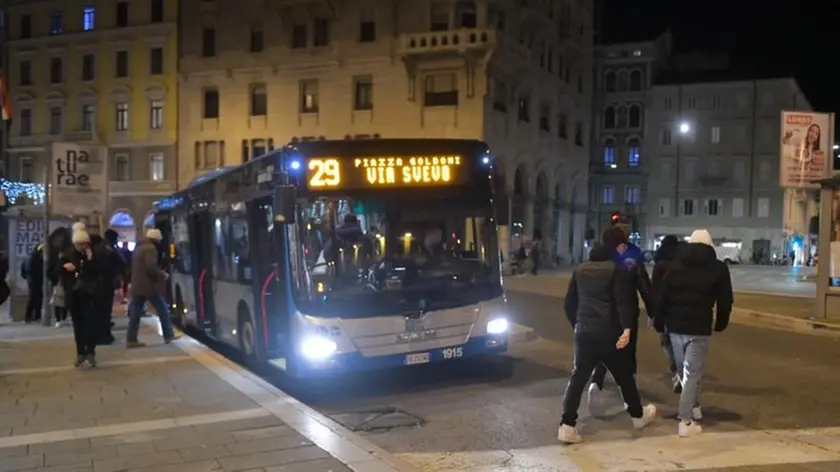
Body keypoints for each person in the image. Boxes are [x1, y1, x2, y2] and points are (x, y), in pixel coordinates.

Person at [558, 242, 657, 444]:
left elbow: (569, 303)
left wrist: (578, 325)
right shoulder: (616, 270)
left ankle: (567, 425)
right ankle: (637, 416)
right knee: (623, 376)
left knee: (578, 378)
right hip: (609, 333)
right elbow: (622, 301)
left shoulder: (579, 271)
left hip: (585, 333)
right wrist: (627, 328)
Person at [653, 229, 733, 438]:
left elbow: (663, 296)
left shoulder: (674, 266)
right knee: (693, 373)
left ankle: (694, 406)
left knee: (685, 372)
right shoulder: (718, 268)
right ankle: (685, 420)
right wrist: (721, 323)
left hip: (675, 327)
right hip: (699, 327)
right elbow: (725, 300)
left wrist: (659, 323)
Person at [588, 224, 652, 412]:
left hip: (599, 315)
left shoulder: (595, 259)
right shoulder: (630, 261)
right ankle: (629, 399)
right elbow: (644, 286)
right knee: (627, 355)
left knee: (602, 353)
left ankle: (595, 383)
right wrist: (651, 311)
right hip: (626, 314)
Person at [126, 228, 181, 347]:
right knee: (162, 309)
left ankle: (131, 339)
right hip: (148, 286)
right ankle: (168, 334)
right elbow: (151, 266)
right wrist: (163, 274)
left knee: (135, 314)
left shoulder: (139, 247)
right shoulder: (151, 249)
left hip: (137, 284)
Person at [63, 225, 101, 367]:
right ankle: (81, 353)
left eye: (84, 244)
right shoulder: (67, 255)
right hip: (74, 295)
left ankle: (91, 352)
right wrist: (66, 268)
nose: (82, 247)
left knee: (91, 324)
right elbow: (55, 272)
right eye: (79, 244)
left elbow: (98, 272)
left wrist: (90, 260)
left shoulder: (93, 255)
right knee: (78, 326)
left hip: (90, 295)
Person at [652, 235, 682, 392]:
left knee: (666, 340)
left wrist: (654, 313)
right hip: (681, 307)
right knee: (680, 341)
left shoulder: (660, 265)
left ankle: (676, 369)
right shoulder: (683, 263)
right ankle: (681, 370)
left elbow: (654, 290)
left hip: (664, 309)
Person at [22, 243, 45, 323]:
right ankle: (36, 316)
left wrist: (27, 278)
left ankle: (29, 316)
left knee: (33, 298)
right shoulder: (37, 259)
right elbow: (39, 271)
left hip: (31, 281)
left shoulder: (28, 258)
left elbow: (23, 272)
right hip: (36, 281)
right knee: (38, 299)